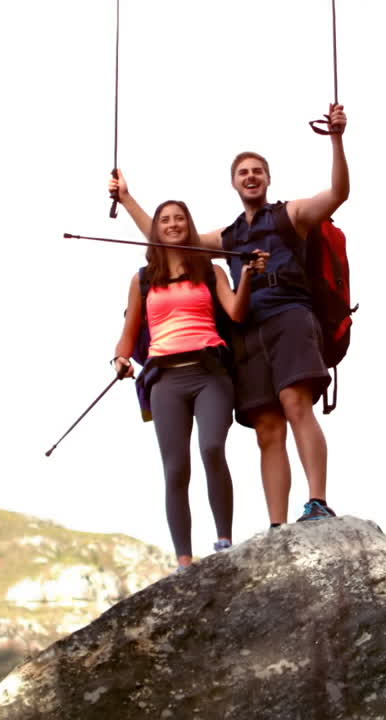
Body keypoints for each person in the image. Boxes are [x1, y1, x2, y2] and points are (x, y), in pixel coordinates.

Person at [115, 104, 350, 528]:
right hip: (248, 330)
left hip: (290, 316)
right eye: (243, 172)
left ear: (268, 177)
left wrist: (336, 140)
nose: (251, 177)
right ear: (233, 183)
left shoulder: (291, 215)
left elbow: (337, 195)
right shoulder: (227, 236)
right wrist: (127, 198)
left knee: (296, 403)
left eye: (257, 170)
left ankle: (317, 501)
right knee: (265, 425)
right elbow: (173, 242)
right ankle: (278, 524)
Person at [110, 197, 267, 569]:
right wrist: (119, 359)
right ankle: (183, 559)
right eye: (165, 220)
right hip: (164, 378)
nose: (173, 224)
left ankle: (224, 541)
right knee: (175, 466)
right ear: (157, 229)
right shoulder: (143, 280)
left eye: (180, 218)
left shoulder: (210, 269)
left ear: (189, 225)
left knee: (212, 448)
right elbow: (128, 335)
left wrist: (246, 277)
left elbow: (236, 311)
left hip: (210, 371)